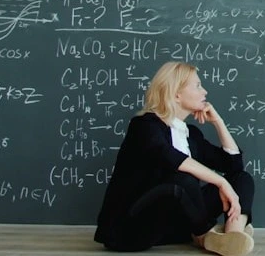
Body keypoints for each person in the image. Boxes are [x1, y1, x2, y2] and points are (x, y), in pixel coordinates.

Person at [94, 61, 255, 255]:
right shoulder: (144, 126)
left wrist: (218, 122)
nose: (204, 92)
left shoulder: (190, 134)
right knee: (183, 180)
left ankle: (233, 235)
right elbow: (173, 160)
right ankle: (206, 235)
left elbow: (234, 165)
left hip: (174, 228)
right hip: (130, 229)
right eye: (197, 86)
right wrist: (221, 183)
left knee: (241, 178)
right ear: (176, 93)